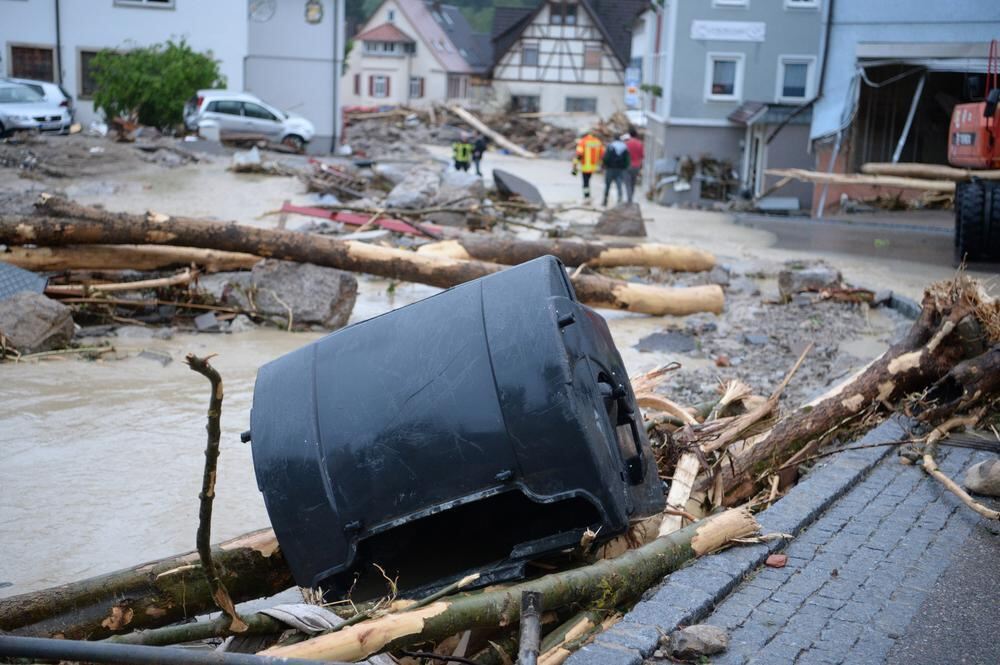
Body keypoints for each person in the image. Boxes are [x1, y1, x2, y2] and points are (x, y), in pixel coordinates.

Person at [572, 129, 604, 204]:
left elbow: (579, 155)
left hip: (585, 167)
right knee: (588, 181)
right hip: (593, 167)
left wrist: (574, 165)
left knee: (585, 183)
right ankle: (588, 196)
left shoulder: (583, 142)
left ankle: (586, 197)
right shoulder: (598, 142)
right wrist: (601, 166)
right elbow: (602, 154)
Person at [602, 134, 631, 207]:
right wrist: (624, 167)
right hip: (620, 170)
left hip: (610, 169)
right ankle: (619, 201)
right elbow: (627, 160)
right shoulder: (624, 147)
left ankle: (605, 201)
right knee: (619, 185)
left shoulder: (611, 146)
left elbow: (606, 157)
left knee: (607, 185)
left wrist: (605, 165)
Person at [624, 131, 644, 203]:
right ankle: (631, 197)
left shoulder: (627, 143)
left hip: (628, 165)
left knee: (627, 183)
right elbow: (642, 155)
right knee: (633, 183)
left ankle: (629, 199)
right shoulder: (640, 144)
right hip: (636, 166)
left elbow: (624, 155)